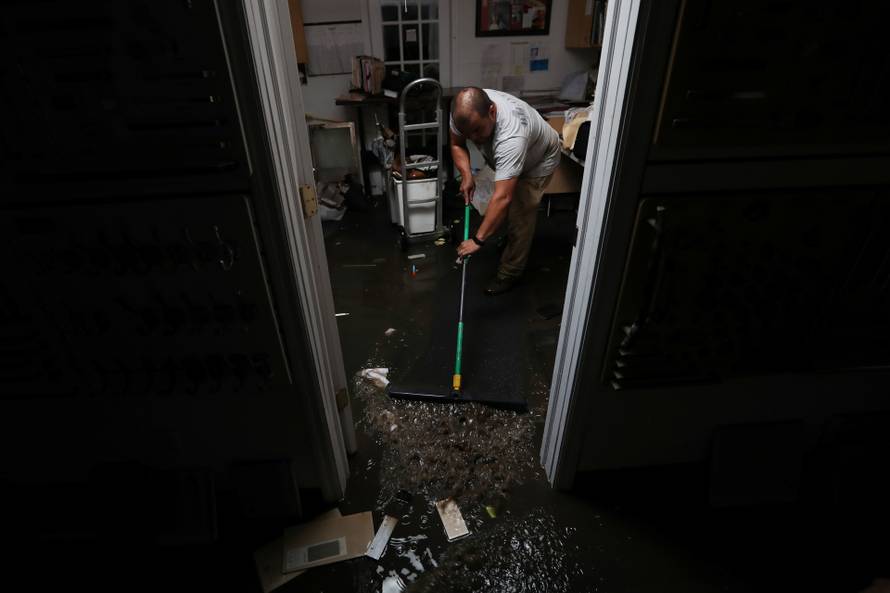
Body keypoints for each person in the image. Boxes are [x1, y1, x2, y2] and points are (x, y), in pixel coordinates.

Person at [450, 86, 560, 295]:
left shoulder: (511, 136)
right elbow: (457, 143)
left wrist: (477, 240)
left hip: (538, 161)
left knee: (520, 215)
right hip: (507, 157)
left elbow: (503, 198)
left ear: (492, 112)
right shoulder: (461, 113)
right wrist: (466, 175)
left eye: (478, 130)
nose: (473, 138)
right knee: (498, 205)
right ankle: (506, 237)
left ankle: (509, 272)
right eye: (468, 133)